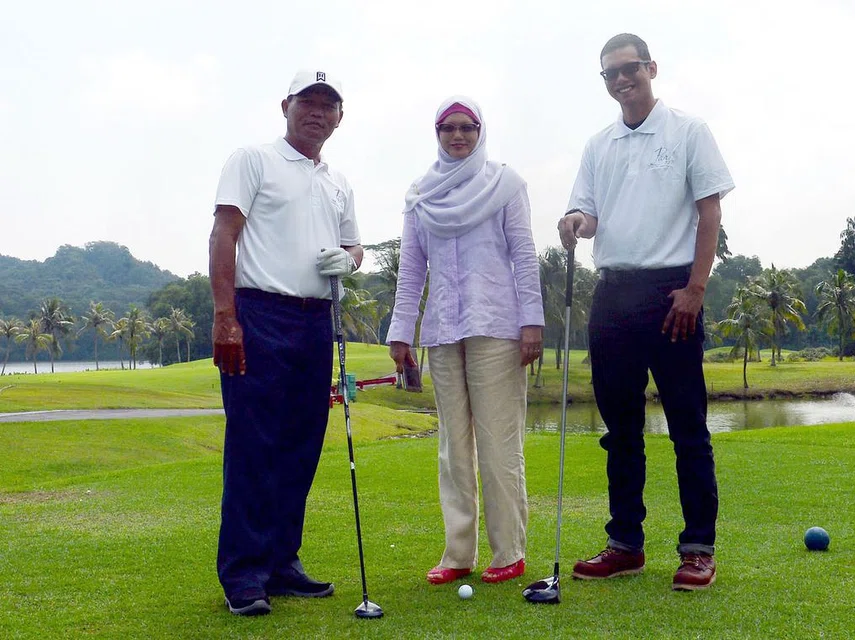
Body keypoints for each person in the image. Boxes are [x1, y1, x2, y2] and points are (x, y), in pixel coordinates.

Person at [558, 34, 734, 591]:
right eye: (609, 74)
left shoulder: (689, 131)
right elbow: (588, 213)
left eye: (629, 69)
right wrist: (574, 222)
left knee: (688, 426)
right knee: (621, 429)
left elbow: (710, 214)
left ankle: (698, 549)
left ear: (651, 68)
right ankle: (625, 544)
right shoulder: (599, 144)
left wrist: (696, 287)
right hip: (612, 292)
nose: (620, 80)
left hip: (672, 293)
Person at [208, 69, 363, 616]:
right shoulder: (253, 159)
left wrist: (350, 259)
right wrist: (226, 317)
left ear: (340, 117)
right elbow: (225, 231)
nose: (317, 112)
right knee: (255, 445)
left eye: (329, 105)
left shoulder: (337, 181)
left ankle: (281, 562)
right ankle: (244, 573)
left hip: (315, 319)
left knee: (301, 443)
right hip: (259, 312)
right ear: (285, 105)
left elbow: (352, 246)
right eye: (308, 102)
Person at [386, 96, 544, 586]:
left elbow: (523, 253)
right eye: (448, 128)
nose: (458, 136)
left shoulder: (504, 184)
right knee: (453, 448)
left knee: (499, 444)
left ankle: (508, 551)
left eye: (467, 128)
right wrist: (401, 332)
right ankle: (458, 553)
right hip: (442, 332)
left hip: (496, 326)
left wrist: (532, 322)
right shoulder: (420, 195)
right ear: (436, 133)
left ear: (481, 131)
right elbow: (411, 270)